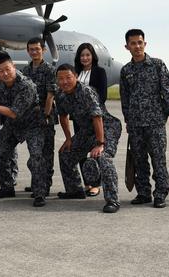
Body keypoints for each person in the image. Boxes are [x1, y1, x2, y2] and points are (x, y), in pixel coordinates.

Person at [0, 51, 49, 207]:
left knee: (36, 157)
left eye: (8, 69)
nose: (5, 73)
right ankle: (7, 187)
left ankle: (40, 193)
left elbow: (14, 113)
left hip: (33, 125)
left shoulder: (26, 85)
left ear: (13, 67)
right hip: (13, 126)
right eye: (1, 71)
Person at [120, 29, 169, 208]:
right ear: (127, 46)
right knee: (139, 160)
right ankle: (143, 193)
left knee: (158, 159)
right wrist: (128, 120)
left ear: (145, 43)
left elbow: (168, 89)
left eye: (140, 42)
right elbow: (125, 98)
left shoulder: (157, 64)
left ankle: (160, 193)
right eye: (133, 43)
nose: (137, 46)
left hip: (155, 122)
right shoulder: (126, 70)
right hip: (136, 123)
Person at [56, 64, 121, 213]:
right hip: (87, 130)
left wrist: (100, 143)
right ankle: (74, 190)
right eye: (61, 79)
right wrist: (68, 139)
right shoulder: (60, 95)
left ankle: (112, 200)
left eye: (68, 77)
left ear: (76, 77)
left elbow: (97, 117)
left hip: (107, 127)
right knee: (66, 154)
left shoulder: (86, 92)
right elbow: (63, 116)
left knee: (104, 158)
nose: (64, 81)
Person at [21, 37, 56, 197]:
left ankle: (44, 184)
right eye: (31, 49)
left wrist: (46, 115)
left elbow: (50, 96)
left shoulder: (49, 70)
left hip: (45, 116)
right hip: (30, 119)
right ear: (28, 51)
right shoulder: (25, 71)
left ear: (44, 50)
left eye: (37, 49)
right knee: (35, 153)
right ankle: (38, 183)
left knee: (47, 153)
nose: (34, 52)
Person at [74, 42, 107, 197]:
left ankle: (96, 184)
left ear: (92, 56)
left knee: (95, 152)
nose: (85, 58)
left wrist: (90, 112)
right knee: (80, 151)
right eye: (82, 55)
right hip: (78, 120)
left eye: (87, 55)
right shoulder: (76, 73)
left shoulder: (99, 72)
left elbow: (103, 95)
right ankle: (87, 183)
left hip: (93, 119)